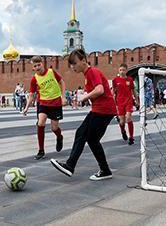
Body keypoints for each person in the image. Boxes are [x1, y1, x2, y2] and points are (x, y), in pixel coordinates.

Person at [50, 49, 116, 181]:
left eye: (74, 63)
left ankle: (70, 165)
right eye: (71, 64)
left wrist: (84, 97)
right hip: (104, 110)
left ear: (84, 61)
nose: (72, 67)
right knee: (91, 139)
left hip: (103, 110)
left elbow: (100, 89)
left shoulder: (92, 72)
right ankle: (105, 170)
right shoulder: (87, 74)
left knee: (81, 133)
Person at [22, 56, 66, 160]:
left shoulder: (51, 72)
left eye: (39, 65)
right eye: (35, 66)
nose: (37, 67)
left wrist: (63, 96)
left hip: (55, 103)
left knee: (54, 128)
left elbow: (62, 82)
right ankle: (41, 150)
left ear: (43, 64)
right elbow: (31, 95)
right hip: (43, 104)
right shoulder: (34, 79)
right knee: (40, 123)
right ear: (33, 68)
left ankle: (59, 137)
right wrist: (26, 108)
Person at [112, 64, 138, 145]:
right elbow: (114, 92)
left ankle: (131, 137)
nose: (122, 72)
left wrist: (137, 100)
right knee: (122, 121)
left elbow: (133, 91)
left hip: (128, 102)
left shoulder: (130, 80)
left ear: (126, 70)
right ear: (118, 71)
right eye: (120, 70)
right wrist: (113, 103)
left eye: (123, 70)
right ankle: (123, 131)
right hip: (120, 102)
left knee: (128, 118)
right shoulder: (115, 80)